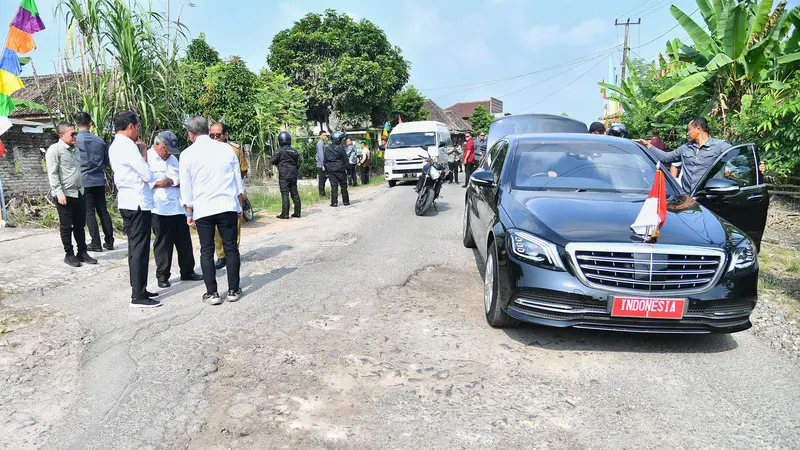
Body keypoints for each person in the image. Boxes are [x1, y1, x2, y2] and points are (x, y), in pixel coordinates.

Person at [180, 116, 244, 305]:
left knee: (206, 251)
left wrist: (189, 213)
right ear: (207, 130)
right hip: (227, 205)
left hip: (203, 208)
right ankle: (233, 290)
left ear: (190, 134)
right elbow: (237, 181)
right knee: (231, 248)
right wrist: (238, 205)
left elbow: (186, 188)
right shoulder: (227, 149)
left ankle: (212, 293)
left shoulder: (186, 155)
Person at [108, 111, 160, 308]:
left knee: (135, 248)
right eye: (137, 126)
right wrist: (145, 154)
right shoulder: (128, 146)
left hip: (127, 202)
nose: (138, 129)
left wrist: (144, 150)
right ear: (130, 126)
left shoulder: (115, 145)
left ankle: (139, 288)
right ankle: (138, 295)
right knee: (139, 249)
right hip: (137, 203)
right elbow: (147, 174)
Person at [636, 117, 765, 191]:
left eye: (689, 130)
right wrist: (648, 146)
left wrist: (756, 167)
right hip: (687, 198)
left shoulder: (720, 146)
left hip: (708, 197)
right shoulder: (685, 148)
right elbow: (666, 157)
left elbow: (739, 159)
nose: (687, 133)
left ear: (698, 129)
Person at [147, 130, 203, 288]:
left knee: (184, 242)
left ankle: (188, 271)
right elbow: (141, 181)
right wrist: (158, 183)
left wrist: (178, 182)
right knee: (163, 244)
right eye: (166, 150)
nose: (168, 154)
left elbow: (183, 179)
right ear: (158, 145)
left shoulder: (174, 160)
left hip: (178, 207)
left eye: (171, 152)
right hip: (159, 209)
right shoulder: (147, 158)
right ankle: (163, 276)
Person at [45, 122, 97, 268]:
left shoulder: (76, 150)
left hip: (79, 193)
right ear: (61, 135)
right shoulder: (54, 150)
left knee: (80, 226)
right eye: (72, 134)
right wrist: (59, 193)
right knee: (66, 227)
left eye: (75, 133)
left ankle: (82, 252)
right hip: (64, 195)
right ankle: (69, 254)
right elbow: (53, 174)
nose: (75, 136)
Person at [209, 123, 248, 270]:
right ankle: (221, 256)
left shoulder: (234, 150)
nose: (215, 138)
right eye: (212, 135)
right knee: (217, 228)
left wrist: (233, 181)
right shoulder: (206, 151)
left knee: (235, 225)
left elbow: (243, 169)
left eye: (218, 135)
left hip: (232, 193)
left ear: (225, 135)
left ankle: (233, 251)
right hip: (214, 193)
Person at [75, 112, 114, 252]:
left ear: (76, 124)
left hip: (84, 180)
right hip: (98, 179)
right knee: (103, 210)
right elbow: (106, 161)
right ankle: (109, 241)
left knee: (89, 212)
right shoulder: (100, 141)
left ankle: (95, 242)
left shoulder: (75, 141)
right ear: (90, 123)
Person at [271, 130, 301, 219]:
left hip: (284, 175)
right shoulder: (294, 151)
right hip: (293, 174)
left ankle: (285, 213)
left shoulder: (279, 151)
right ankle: (297, 212)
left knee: (285, 193)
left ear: (280, 140)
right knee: (294, 193)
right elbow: (298, 163)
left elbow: (272, 161)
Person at [325, 131, 350, 207]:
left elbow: (324, 160)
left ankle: (334, 202)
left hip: (331, 170)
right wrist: (349, 170)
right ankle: (345, 201)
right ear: (337, 139)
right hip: (340, 169)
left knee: (334, 187)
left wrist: (326, 171)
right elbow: (346, 160)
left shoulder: (327, 148)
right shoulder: (341, 148)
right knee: (343, 186)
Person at [316, 130, 328, 198]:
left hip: (324, 164)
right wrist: (323, 165)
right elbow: (321, 155)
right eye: (324, 135)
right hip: (321, 165)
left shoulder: (324, 143)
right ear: (320, 136)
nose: (325, 136)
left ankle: (323, 193)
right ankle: (321, 194)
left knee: (324, 179)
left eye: (326, 135)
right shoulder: (320, 143)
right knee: (322, 180)